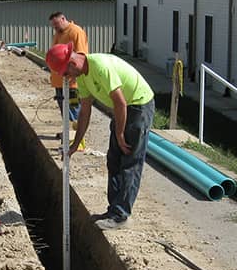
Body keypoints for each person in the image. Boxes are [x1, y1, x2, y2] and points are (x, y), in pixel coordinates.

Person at [45, 43, 155, 230]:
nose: (67, 77)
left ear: (72, 63)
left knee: (129, 162)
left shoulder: (100, 66)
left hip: (138, 105)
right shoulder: (83, 78)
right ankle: (113, 210)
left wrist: (120, 133)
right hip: (124, 107)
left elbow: (120, 103)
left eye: (66, 72)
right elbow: (85, 112)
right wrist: (75, 144)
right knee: (113, 160)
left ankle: (121, 216)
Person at [48, 12, 88, 131]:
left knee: (73, 107)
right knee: (64, 108)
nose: (55, 28)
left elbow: (82, 55)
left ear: (63, 19)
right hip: (59, 80)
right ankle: (67, 132)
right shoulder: (58, 34)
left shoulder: (76, 32)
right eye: (53, 26)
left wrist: (75, 75)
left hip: (71, 81)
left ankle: (76, 135)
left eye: (56, 24)